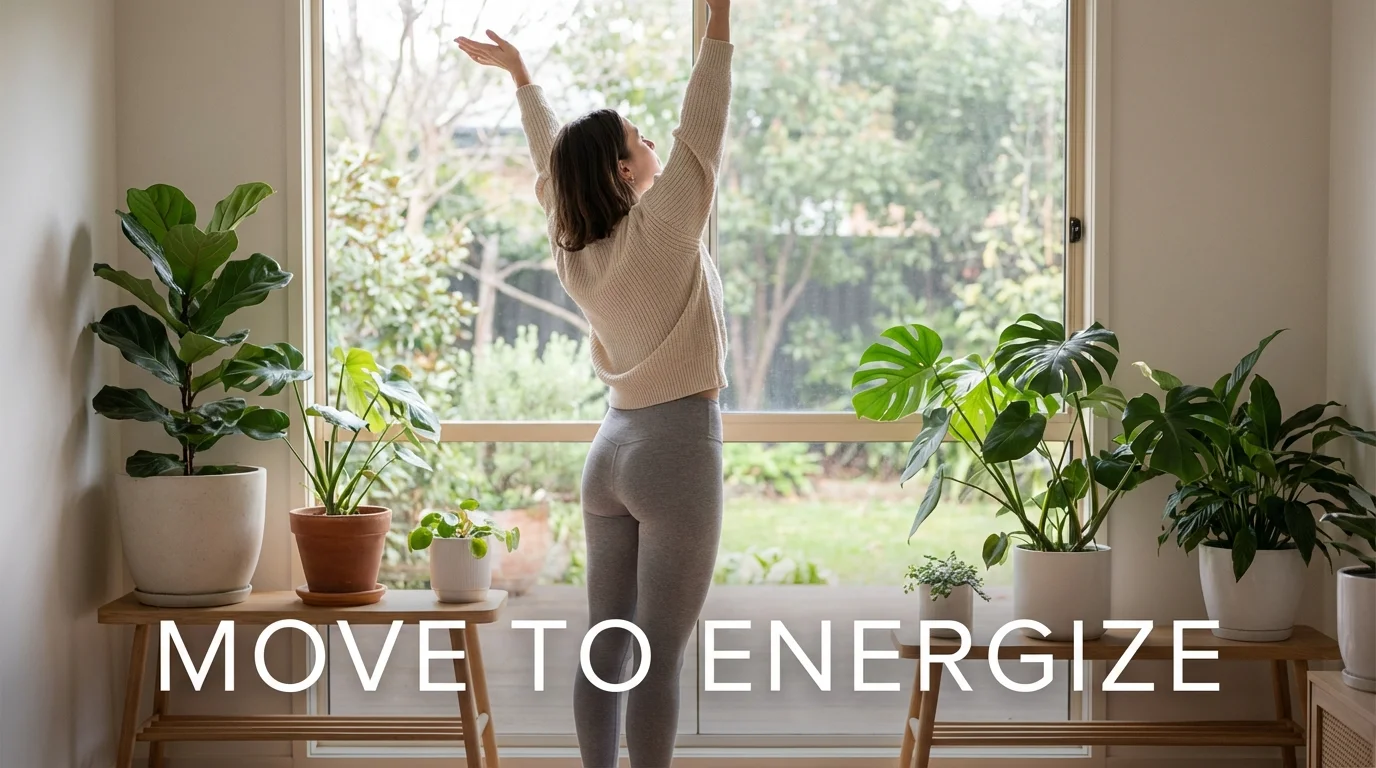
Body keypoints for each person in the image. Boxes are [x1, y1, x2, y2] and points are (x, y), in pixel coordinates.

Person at [457, 2, 733, 766]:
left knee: (609, 644)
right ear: (622, 171)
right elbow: (702, 126)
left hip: (610, 453)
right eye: (638, 141)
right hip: (675, 450)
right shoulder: (666, 227)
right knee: (657, 657)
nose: (654, 143)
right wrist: (718, 22)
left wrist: (522, 80)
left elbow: (554, 164)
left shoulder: (574, 246)